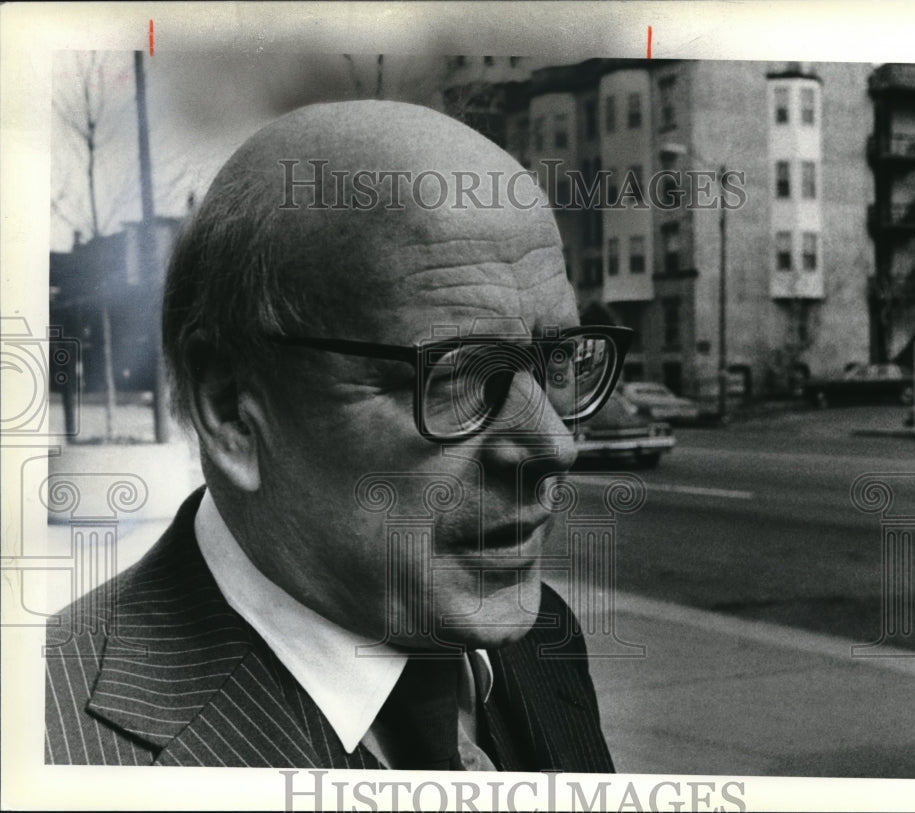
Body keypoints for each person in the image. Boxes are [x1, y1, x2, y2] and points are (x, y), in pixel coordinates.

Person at [45, 100, 628, 771]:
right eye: (454, 375)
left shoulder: (542, 637)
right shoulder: (55, 747)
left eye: (556, 361)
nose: (555, 444)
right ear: (231, 406)